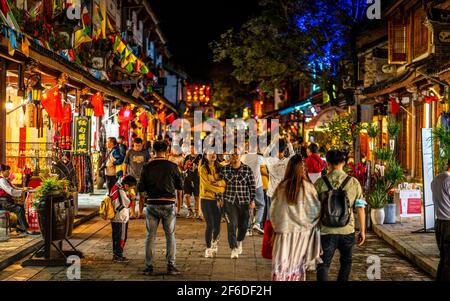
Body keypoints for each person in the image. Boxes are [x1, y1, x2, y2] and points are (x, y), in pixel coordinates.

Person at [314, 150, 367, 281]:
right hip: (347, 230)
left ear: (328, 163)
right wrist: (362, 231)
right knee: (346, 262)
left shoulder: (320, 182)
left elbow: (313, 209)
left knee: (323, 264)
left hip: (326, 231)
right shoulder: (353, 182)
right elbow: (360, 208)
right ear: (344, 162)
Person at [270, 154, 322, 281]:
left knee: (281, 270)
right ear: (303, 169)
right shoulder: (309, 188)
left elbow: (273, 212)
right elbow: (315, 213)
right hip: (302, 235)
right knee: (297, 271)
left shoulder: (281, 187)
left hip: (283, 235)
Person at [139, 141, 183, 276]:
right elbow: (180, 187)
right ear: (167, 150)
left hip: (152, 204)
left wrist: (141, 208)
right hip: (169, 204)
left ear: (153, 151)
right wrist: (179, 205)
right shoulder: (173, 166)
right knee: (170, 235)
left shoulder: (146, 167)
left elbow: (141, 189)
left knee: (150, 236)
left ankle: (148, 267)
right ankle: (171, 265)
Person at [220, 147, 256, 259]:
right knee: (232, 225)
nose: (234, 156)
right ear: (229, 157)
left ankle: (240, 241)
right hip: (229, 202)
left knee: (244, 225)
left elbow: (252, 186)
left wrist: (252, 200)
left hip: (244, 202)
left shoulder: (247, 169)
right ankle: (234, 248)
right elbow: (219, 186)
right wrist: (219, 198)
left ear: (241, 156)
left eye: (236, 154)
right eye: (232, 154)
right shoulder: (225, 170)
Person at [198, 151, 226, 258]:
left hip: (218, 200)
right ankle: (208, 248)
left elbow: (225, 182)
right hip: (206, 199)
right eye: (210, 153)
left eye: (214, 153)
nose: (213, 155)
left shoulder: (221, 167)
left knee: (217, 225)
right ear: (205, 156)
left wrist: (219, 184)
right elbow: (206, 186)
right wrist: (220, 188)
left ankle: (214, 243)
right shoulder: (203, 169)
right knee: (209, 224)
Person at [0, 164, 38, 235]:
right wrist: (22, 191)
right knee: (18, 209)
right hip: (2, 202)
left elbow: (14, 188)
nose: (9, 173)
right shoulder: (1, 180)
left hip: (6, 201)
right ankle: (27, 229)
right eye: (7, 171)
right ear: (2, 171)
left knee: (21, 206)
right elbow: (11, 191)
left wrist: (24, 189)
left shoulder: (5, 180)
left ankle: (20, 226)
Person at [110, 175, 137, 263]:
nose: (130, 190)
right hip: (120, 218)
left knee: (116, 237)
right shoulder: (121, 191)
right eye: (130, 188)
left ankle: (116, 254)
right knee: (121, 237)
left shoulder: (115, 186)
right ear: (126, 185)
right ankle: (118, 255)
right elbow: (127, 204)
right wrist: (132, 198)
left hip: (116, 217)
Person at [431, 158, 450, 281]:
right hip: (449, 222)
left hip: (439, 222)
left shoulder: (435, 179)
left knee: (443, 257)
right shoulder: (448, 180)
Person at [263, 134, 295, 206]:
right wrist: (289, 143)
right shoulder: (288, 161)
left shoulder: (270, 160)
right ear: (285, 149)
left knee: (273, 214)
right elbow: (293, 156)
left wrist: (273, 142)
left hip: (272, 193)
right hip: (284, 192)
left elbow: (265, 154)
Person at [123, 138, 150, 219]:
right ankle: (132, 213)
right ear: (133, 144)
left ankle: (140, 213)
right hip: (132, 178)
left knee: (142, 196)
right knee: (132, 196)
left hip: (143, 178)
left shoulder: (145, 152)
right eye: (136, 145)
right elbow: (125, 163)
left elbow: (149, 163)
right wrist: (124, 174)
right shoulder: (130, 152)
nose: (137, 147)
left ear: (142, 145)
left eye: (139, 145)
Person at [241, 151, 266, 234]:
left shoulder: (243, 157)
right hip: (257, 185)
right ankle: (257, 223)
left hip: (246, 185)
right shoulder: (259, 157)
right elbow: (264, 167)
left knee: (248, 207)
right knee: (261, 205)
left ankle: (248, 229)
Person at [182, 143, 202, 219]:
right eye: (191, 148)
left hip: (197, 178)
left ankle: (197, 212)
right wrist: (186, 165)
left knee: (197, 196)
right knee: (187, 195)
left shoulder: (200, 157)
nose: (192, 150)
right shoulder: (187, 157)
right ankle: (189, 210)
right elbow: (184, 168)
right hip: (188, 178)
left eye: (194, 148)